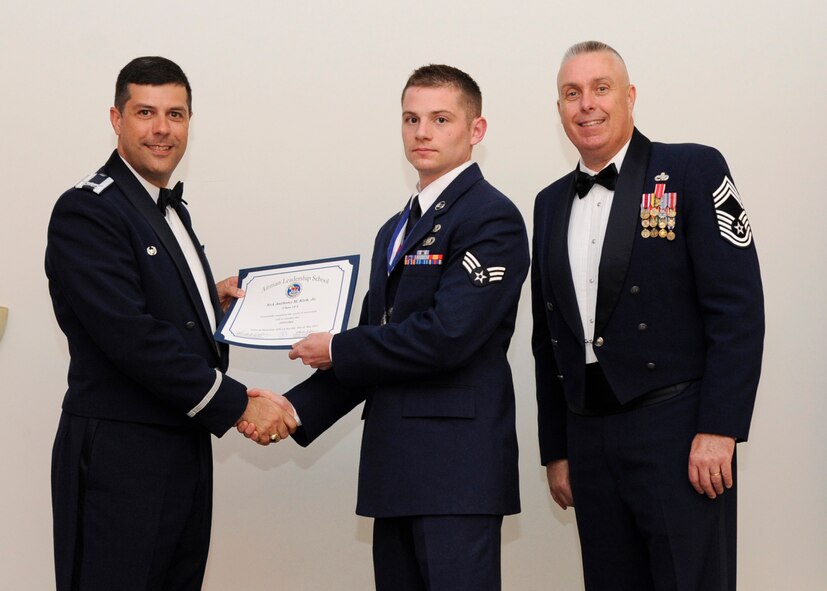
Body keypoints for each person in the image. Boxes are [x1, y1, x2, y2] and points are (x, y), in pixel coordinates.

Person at [248, 64, 529, 590]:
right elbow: (371, 347)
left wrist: (338, 347)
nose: (422, 132)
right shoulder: (394, 230)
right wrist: (292, 409)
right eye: (411, 119)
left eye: (441, 119)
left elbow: (447, 336)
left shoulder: (492, 218)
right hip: (395, 471)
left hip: (455, 475)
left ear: (476, 130)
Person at [46, 56, 296, 591]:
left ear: (189, 123)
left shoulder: (167, 208)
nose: (162, 128)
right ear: (116, 119)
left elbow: (151, 303)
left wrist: (207, 304)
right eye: (145, 112)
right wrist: (239, 403)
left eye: (175, 114)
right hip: (121, 456)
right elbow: (131, 336)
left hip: (181, 444)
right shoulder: (87, 210)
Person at [531, 41, 764, 590]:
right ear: (559, 108)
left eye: (601, 88)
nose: (587, 104)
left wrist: (719, 429)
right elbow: (548, 337)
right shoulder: (548, 202)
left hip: (677, 432)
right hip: (588, 437)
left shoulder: (691, 169)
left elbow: (737, 309)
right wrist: (557, 450)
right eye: (571, 93)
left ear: (630, 96)